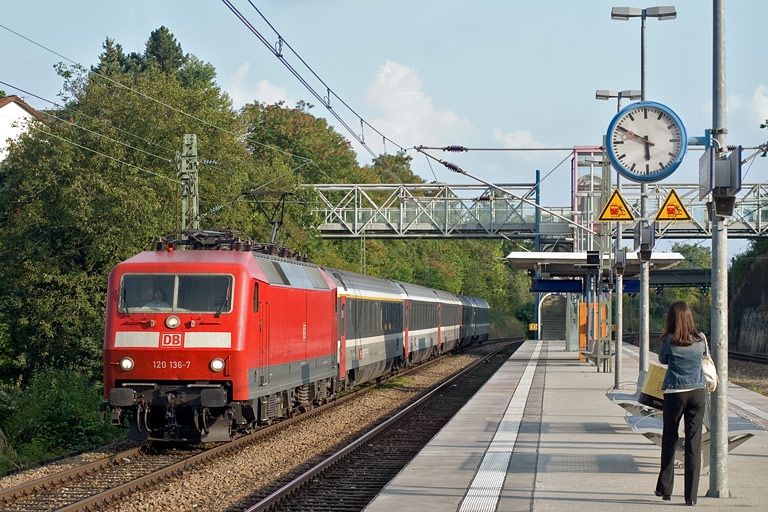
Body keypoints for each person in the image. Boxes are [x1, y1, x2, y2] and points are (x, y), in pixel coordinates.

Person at [655, 301, 707, 506]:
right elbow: (703, 357)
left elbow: (662, 359)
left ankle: (666, 490)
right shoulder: (700, 338)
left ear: (672, 319)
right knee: (694, 444)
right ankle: (691, 497)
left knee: (670, 439)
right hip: (697, 393)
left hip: (675, 393)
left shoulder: (668, 340)